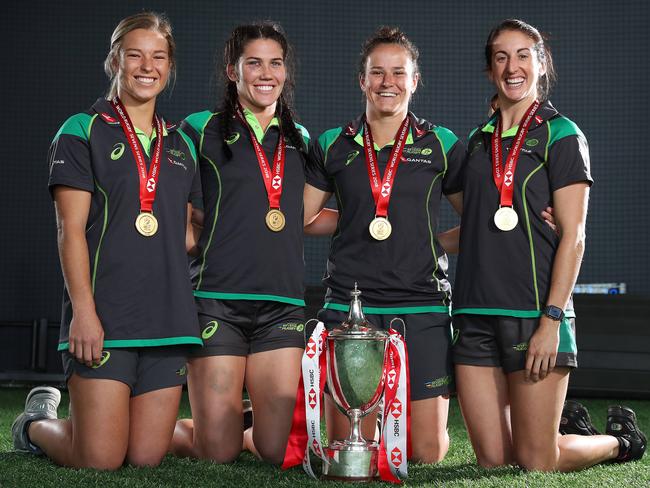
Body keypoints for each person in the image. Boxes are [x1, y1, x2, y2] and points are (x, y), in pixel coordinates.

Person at [452, 18, 646, 471]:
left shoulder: (563, 135)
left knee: (536, 462)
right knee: (494, 463)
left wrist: (551, 321)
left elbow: (574, 236)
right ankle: (565, 427)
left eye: (523, 55)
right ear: (489, 70)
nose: (512, 66)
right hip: (474, 315)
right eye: (501, 56)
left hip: (535, 313)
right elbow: (478, 229)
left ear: (541, 64)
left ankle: (621, 442)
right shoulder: (477, 144)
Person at [11, 12, 203, 469]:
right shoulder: (81, 130)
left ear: (170, 66)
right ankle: (34, 423)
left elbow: (189, 228)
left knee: (144, 458)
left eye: (158, 56)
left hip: (167, 320)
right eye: (134, 54)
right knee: (99, 459)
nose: (146, 66)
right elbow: (69, 230)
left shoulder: (181, 143)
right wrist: (83, 313)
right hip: (104, 319)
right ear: (114, 59)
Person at [303, 26, 465, 463]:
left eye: (398, 72)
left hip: (422, 302)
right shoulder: (333, 144)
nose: (387, 82)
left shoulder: (442, 145)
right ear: (363, 80)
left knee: (426, 454)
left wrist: (431, 239)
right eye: (377, 72)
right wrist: (361, 217)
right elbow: (305, 217)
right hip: (351, 304)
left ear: (415, 80)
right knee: (349, 450)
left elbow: (480, 218)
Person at [169, 22, 310, 465]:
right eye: (254, 63)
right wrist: (194, 244)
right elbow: (166, 198)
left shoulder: (300, 139)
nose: (266, 73)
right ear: (233, 70)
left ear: (286, 71)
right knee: (217, 453)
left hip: (281, 305)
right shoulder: (198, 129)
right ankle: (40, 423)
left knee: (274, 450)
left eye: (275, 63)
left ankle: (238, 417)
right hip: (216, 302)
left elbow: (308, 214)